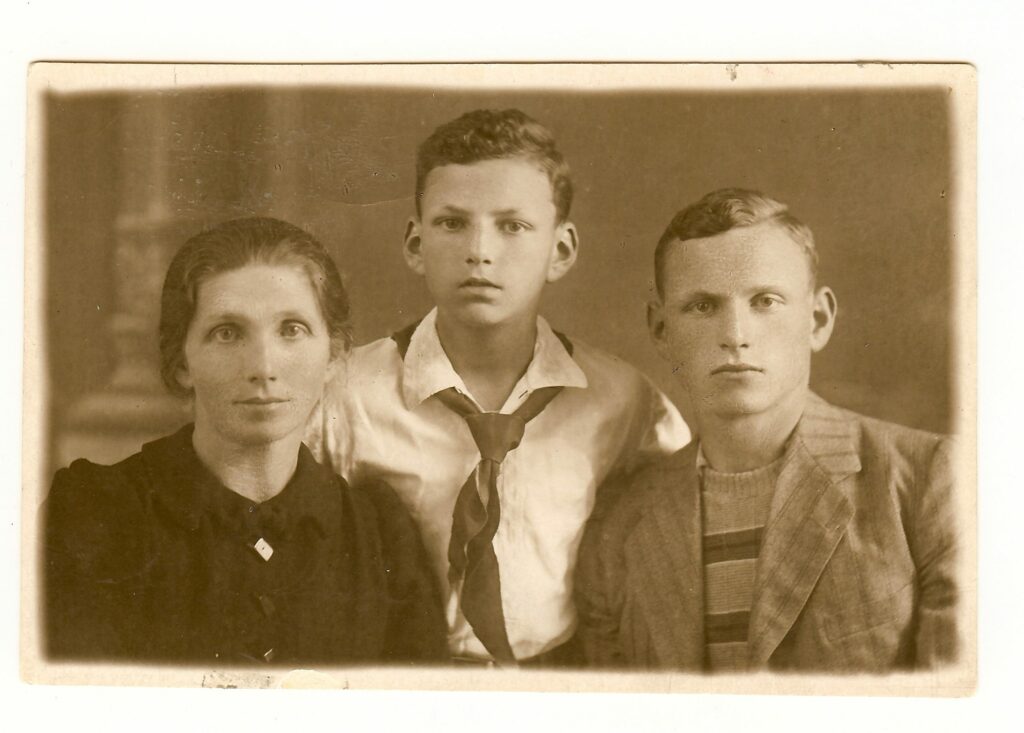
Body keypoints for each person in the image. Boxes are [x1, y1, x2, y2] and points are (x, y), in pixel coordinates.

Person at [308, 109, 690, 667]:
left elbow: (679, 521)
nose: (479, 251)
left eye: (512, 226)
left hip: (558, 679)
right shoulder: (345, 394)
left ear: (560, 250)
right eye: (452, 223)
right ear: (415, 243)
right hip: (401, 678)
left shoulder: (621, 399)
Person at [574, 188, 959, 673]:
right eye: (701, 306)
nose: (735, 334)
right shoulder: (617, 529)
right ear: (661, 330)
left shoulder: (930, 483)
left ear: (817, 319)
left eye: (765, 301)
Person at [43, 217, 447, 666]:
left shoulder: (378, 536)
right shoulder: (96, 516)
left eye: (291, 330)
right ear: (181, 363)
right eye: (227, 333)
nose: (263, 366)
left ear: (333, 356)